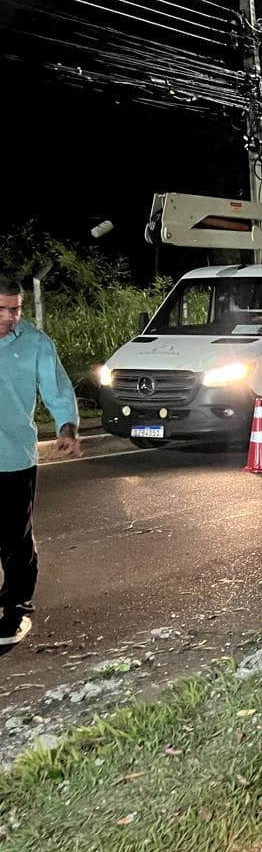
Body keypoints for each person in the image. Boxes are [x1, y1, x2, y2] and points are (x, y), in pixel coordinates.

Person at [0, 274, 80, 651]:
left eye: (15, 309)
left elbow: (57, 390)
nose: (9, 317)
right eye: (1, 309)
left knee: (15, 540)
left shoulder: (35, 343)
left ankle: (15, 607)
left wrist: (68, 428)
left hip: (13, 458)